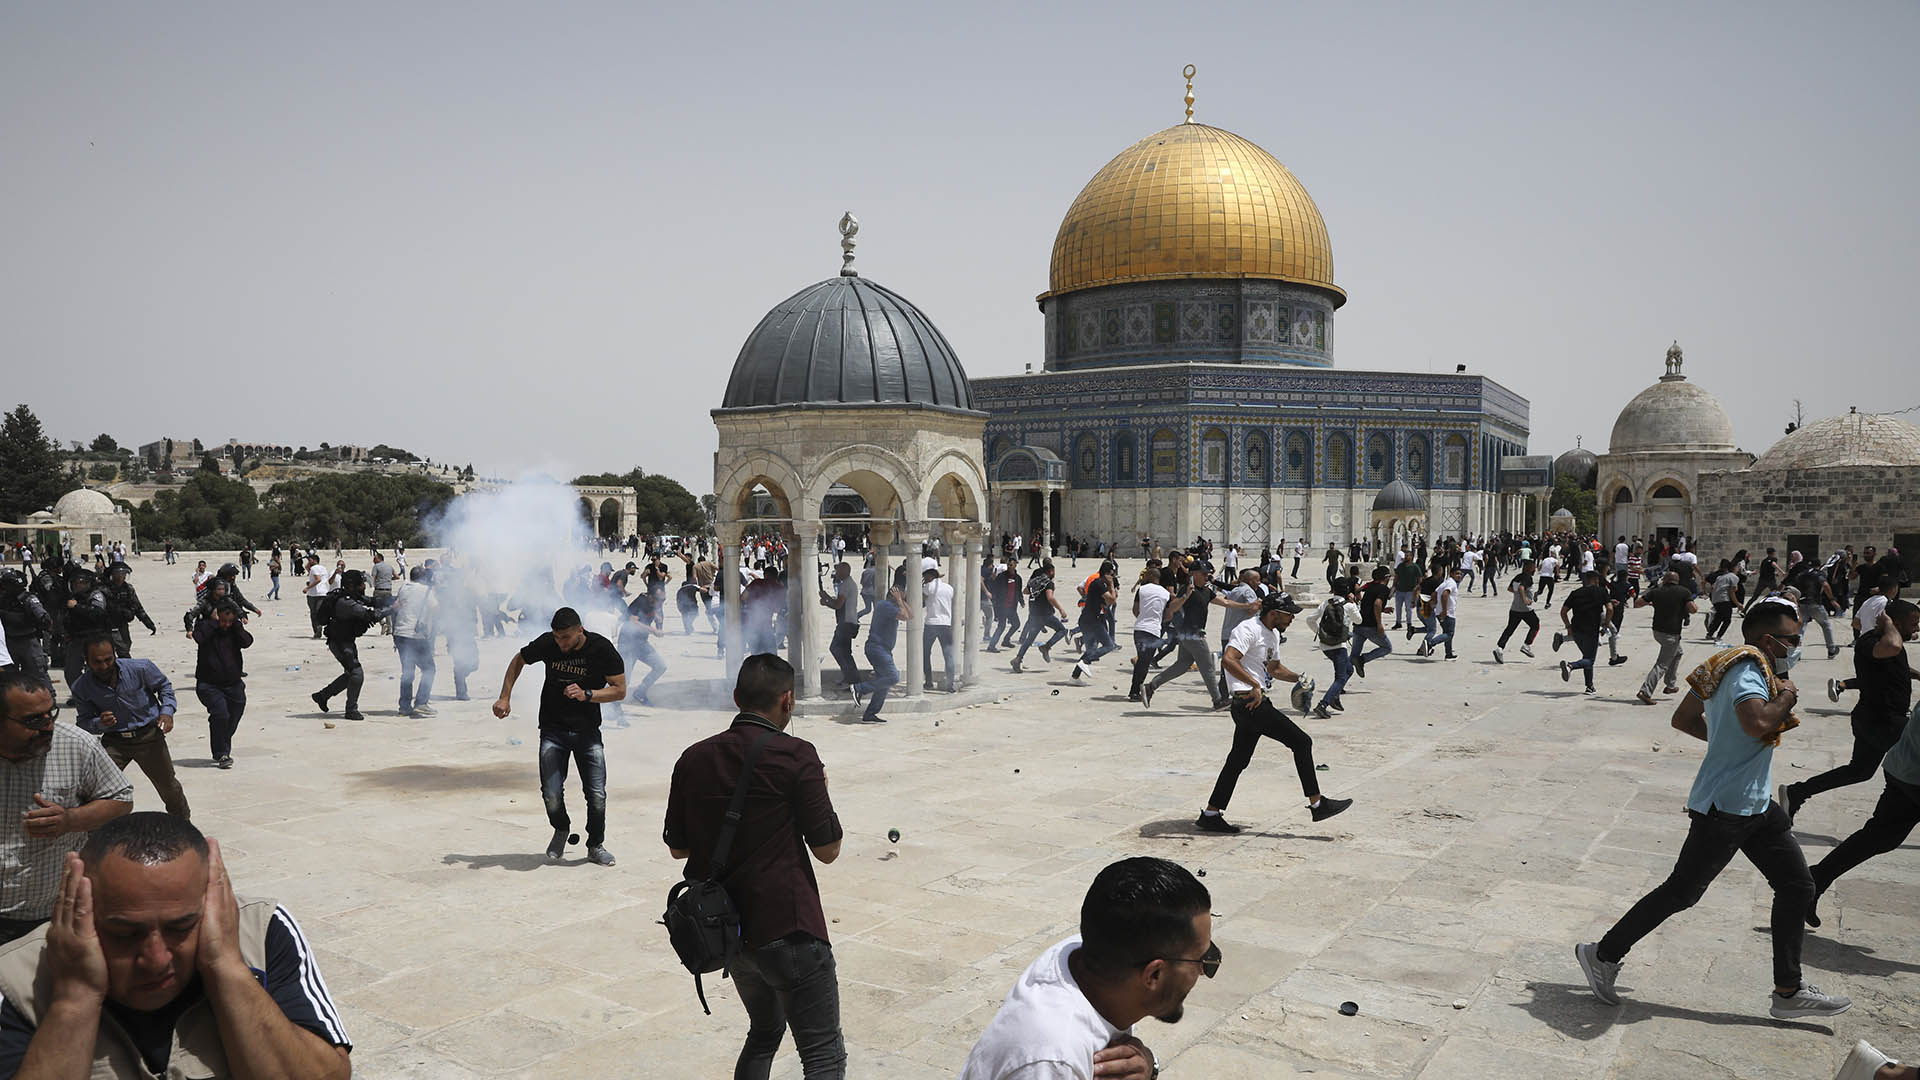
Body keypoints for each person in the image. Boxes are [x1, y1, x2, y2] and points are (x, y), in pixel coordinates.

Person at [1577, 598, 1850, 1019]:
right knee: (1681, 892)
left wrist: (1726, 747)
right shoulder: (1746, 672)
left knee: (1797, 887)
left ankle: (1788, 991)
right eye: (1792, 639)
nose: (1797, 645)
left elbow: (1684, 719)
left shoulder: (1726, 662)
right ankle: (1603, 954)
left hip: (1755, 803)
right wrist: (1790, 695)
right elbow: (1758, 722)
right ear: (1768, 640)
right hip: (1728, 809)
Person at [0, 812, 352, 1077]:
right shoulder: (14, 978)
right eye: (124, 933)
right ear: (79, 904)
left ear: (213, 899)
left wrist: (229, 969)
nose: (155, 960)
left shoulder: (260, 930)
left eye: (181, 927)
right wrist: (74, 1000)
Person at [663, 654, 845, 1079]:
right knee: (822, 1053)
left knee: (764, 1031)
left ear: (736, 698)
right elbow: (828, 849)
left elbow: (678, 849)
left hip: (729, 934)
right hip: (788, 926)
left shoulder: (693, 757)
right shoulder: (797, 756)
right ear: (788, 701)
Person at [960, 857, 1213, 1080]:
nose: (1204, 971)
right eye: (1201, 960)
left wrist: (1148, 1066)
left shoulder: (1091, 952)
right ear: (1154, 974)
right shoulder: (1054, 1060)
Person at [1195, 594, 1350, 833]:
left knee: (1237, 760)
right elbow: (1228, 660)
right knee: (1301, 742)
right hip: (1249, 702)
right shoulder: (1248, 629)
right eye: (1289, 614)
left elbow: (1274, 668)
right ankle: (1318, 804)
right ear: (1274, 612)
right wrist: (1254, 684)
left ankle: (1211, 813)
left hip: (1251, 704)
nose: (1292, 618)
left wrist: (1299, 677)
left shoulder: (1274, 634)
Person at [0, 670, 133, 945]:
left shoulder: (76, 744)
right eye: (33, 720)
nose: (47, 726)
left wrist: (71, 820)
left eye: (51, 713)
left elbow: (121, 798)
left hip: (50, 918)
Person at [494, 607, 625, 865]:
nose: (560, 643)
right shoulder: (548, 643)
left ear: (580, 630)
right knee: (551, 793)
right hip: (553, 730)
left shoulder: (601, 648)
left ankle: (595, 844)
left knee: (596, 794)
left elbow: (619, 690)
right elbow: (518, 659)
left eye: (565, 637)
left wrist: (588, 694)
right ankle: (561, 828)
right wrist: (504, 696)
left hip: (587, 732)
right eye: (557, 638)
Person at [1783, 600, 1919, 821]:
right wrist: (1888, 623)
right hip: (1883, 721)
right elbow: (1892, 647)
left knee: (1860, 772)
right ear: (1895, 622)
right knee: (1909, 767)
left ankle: (1796, 792)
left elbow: (1895, 660)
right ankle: (1883, 826)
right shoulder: (1871, 642)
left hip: (1876, 720)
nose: (1917, 629)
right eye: (1913, 624)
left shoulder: (1887, 642)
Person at [70, 637, 191, 821]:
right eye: (97, 662)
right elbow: (83, 721)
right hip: (115, 742)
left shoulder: (141, 668)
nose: (103, 666)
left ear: (115, 655)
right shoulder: (82, 687)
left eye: (108, 659)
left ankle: (183, 825)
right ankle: (98, 834)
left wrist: (167, 712)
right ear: (86, 660)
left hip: (149, 737)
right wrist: (99, 723)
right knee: (96, 788)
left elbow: (165, 687)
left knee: (168, 786)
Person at [310, 571, 379, 723]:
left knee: (350, 674)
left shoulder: (351, 596)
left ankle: (322, 695)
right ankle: (351, 710)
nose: (363, 587)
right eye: (361, 584)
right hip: (340, 643)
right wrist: (394, 608)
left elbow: (371, 601)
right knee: (356, 674)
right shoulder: (346, 602)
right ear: (351, 586)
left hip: (345, 641)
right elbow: (371, 615)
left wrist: (390, 600)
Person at [191, 601, 251, 769]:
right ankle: (222, 753)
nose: (226, 625)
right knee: (220, 714)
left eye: (229, 621)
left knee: (235, 712)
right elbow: (199, 638)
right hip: (208, 685)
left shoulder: (233, 630)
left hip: (233, 684)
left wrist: (237, 626)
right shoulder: (205, 627)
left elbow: (247, 642)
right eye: (223, 621)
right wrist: (213, 623)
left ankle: (222, 740)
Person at [1633, 572, 1698, 705]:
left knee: (1678, 652)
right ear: (1677, 581)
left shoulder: (1656, 591)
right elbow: (1693, 609)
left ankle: (1670, 685)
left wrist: (1651, 602)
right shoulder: (1683, 592)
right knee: (1662, 664)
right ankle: (1645, 692)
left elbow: (1637, 603)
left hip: (1657, 631)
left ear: (1665, 580)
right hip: (1671, 634)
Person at [852, 575, 910, 724]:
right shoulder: (885, 606)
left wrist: (902, 600)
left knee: (884, 683)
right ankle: (860, 688)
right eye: (901, 595)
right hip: (877, 648)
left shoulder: (893, 606)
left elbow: (911, 616)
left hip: (882, 650)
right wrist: (899, 600)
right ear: (893, 595)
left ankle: (870, 714)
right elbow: (904, 616)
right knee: (893, 677)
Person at [389, 566, 437, 718]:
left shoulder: (403, 587)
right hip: (415, 636)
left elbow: (398, 607)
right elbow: (436, 608)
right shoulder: (426, 591)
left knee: (407, 672)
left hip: (400, 633)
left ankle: (404, 706)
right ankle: (421, 703)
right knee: (429, 669)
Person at [1554, 570, 1613, 695]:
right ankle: (1570, 666)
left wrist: (1568, 626)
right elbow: (1609, 609)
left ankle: (1589, 687)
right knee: (1590, 660)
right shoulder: (1602, 591)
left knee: (1586, 657)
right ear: (1596, 580)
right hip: (1591, 630)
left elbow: (1563, 612)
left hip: (1576, 629)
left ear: (1585, 580)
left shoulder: (1575, 593)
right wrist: (1607, 623)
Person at [1308, 578, 1358, 719]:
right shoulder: (1349, 606)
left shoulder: (1325, 603)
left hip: (1325, 645)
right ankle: (1323, 704)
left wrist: (1319, 633)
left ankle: (1334, 696)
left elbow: (1309, 620)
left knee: (1349, 669)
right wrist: (1353, 603)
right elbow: (1359, 620)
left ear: (1333, 590)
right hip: (1340, 646)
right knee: (1341, 678)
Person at [1010, 560, 1069, 674]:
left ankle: (1018, 659)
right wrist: (1061, 610)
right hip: (1045, 614)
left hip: (1034, 613)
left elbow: (1025, 591)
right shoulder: (1049, 583)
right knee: (1062, 630)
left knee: (1030, 639)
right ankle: (1046, 647)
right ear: (1051, 571)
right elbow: (1050, 597)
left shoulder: (1035, 581)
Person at [617, 584, 667, 712]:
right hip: (628, 643)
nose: (659, 602)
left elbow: (655, 612)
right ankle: (610, 706)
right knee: (624, 679)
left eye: (662, 600)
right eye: (657, 599)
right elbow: (633, 622)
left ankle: (640, 692)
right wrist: (652, 630)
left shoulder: (654, 602)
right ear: (650, 596)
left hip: (641, 643)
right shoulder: (640, 601)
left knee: (660, 666)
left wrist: (657, 619)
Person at [1069, 564, 1118, 683]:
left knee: (1091, 649)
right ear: (1106, 574)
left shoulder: (1099, 584)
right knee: (1109, 645)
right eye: (1111, 575)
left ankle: (1075, 677)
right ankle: (1085, 662)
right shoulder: (1099, 584)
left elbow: (1108, 603)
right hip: (1092, 621)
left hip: (1087, 620)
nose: (1113, 577)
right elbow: (1112, 599)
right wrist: (1111, 585)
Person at [0, 571, 51, 681]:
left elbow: (44, 618)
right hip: (9, 642)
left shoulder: (28, 599)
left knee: (39, 674)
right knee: (9, 679)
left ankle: (49, 697)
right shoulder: (3, 599)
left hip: (29, 641)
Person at [819, 563, 861, 690]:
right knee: (845, 652)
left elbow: (838, 605)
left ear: (844, 571)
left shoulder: (846, 585)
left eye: (837, 571)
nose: (835, 573)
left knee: (837, 649)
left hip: (846, 623)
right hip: (848, 622)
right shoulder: (848, 583)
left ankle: (852, 680)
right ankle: (850, 678)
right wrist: (826, 598)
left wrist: (826, 601)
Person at [100, 563, 154, 661]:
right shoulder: (104, 590)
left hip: (122, 624)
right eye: (118, 574)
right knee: (119, 651)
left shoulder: (128, 589)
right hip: (108, 625)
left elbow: (138, 607)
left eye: (123, 574)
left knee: (126, 644)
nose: (121, 577)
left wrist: (148, 623)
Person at [1349, 565, 1395, 677]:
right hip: (1370, 626)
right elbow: (1376, 604)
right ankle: (1363, 659)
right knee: (1387, 648)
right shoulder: (1384, 589)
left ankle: (1340, 683)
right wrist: (1379, 624)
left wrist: (1383, 610)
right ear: (1387, 577)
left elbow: (1369, 603)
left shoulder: (1370, 587)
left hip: (1359, 625)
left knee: (1352, 657)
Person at [1492, 560, 1539, 663]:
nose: (1535, 569)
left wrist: (1519, 594)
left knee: (1510, 629)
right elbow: (1522, 587)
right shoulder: (1527, 577)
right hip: (1525, 609)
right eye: (1534, 567)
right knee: (1536, 625)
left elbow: (1510, 588)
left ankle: (1499, 648)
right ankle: (1526, 645)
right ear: (1529, 568)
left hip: (1514, 608)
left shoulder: (1517, 577)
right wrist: (1525, 599)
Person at [922, 559, 957, 692]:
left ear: (929, 576)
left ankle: (929, 681)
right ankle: (950, 684)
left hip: (931, 623)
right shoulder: (949, 588)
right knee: (948, 655)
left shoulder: (928, 587)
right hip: (945, 624)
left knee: (925, 653)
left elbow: (920, 601)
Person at [1417, 565, 1462, 660]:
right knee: (1449, 634)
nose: (1459, 576)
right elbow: (1444, 595)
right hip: (1448, 613)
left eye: (1460, 574)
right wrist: (1444, 610)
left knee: (1447, 633)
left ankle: (1448, 654)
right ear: (1451, 574)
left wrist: (1434, 605)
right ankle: (1430, 644)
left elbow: (1434, 594)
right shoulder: (1452, 584)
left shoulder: (1445, 582)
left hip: (1439, 612)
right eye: (1457, 573)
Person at [302, 557, 333, 640]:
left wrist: (308, 587)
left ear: (315, 560)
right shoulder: (323, 568)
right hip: (323, 592)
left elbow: (318, 580)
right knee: (320, 612)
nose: (308, 562)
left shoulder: (314, 568)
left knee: (314, 613)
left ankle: (317, 630)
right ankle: (319, 628)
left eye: (310, 560)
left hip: (314, 594)